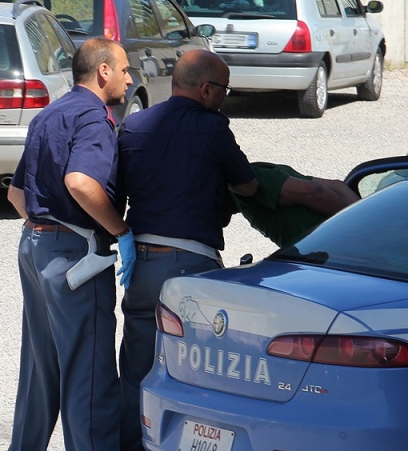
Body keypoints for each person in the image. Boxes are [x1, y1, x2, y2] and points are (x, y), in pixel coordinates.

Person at [116, 49, 258, 450]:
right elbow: (247, 185)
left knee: (137, 370)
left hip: (141, 267)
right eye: (224, 91)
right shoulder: (213, 130)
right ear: (207, 89)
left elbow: (116, 193)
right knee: (196, 374)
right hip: (192, 267)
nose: (225, 98)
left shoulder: (135, 125)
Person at [6, 37, 136, 450]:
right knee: (89, 376)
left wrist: (47, 228)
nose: (129, 78)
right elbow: (80, 182)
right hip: (74, 258)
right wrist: (121, 231)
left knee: (39, 374)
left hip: (34, 246)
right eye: (125, 70)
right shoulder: (94, 119)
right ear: (103, 72)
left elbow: (16, 195)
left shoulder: (50, 113)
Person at [230, 162, 360, 247]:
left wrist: (362, 225)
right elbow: (337, 186)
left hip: (331, 259)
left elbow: (314, 192)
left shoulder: (257, 178)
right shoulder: (263, 171)